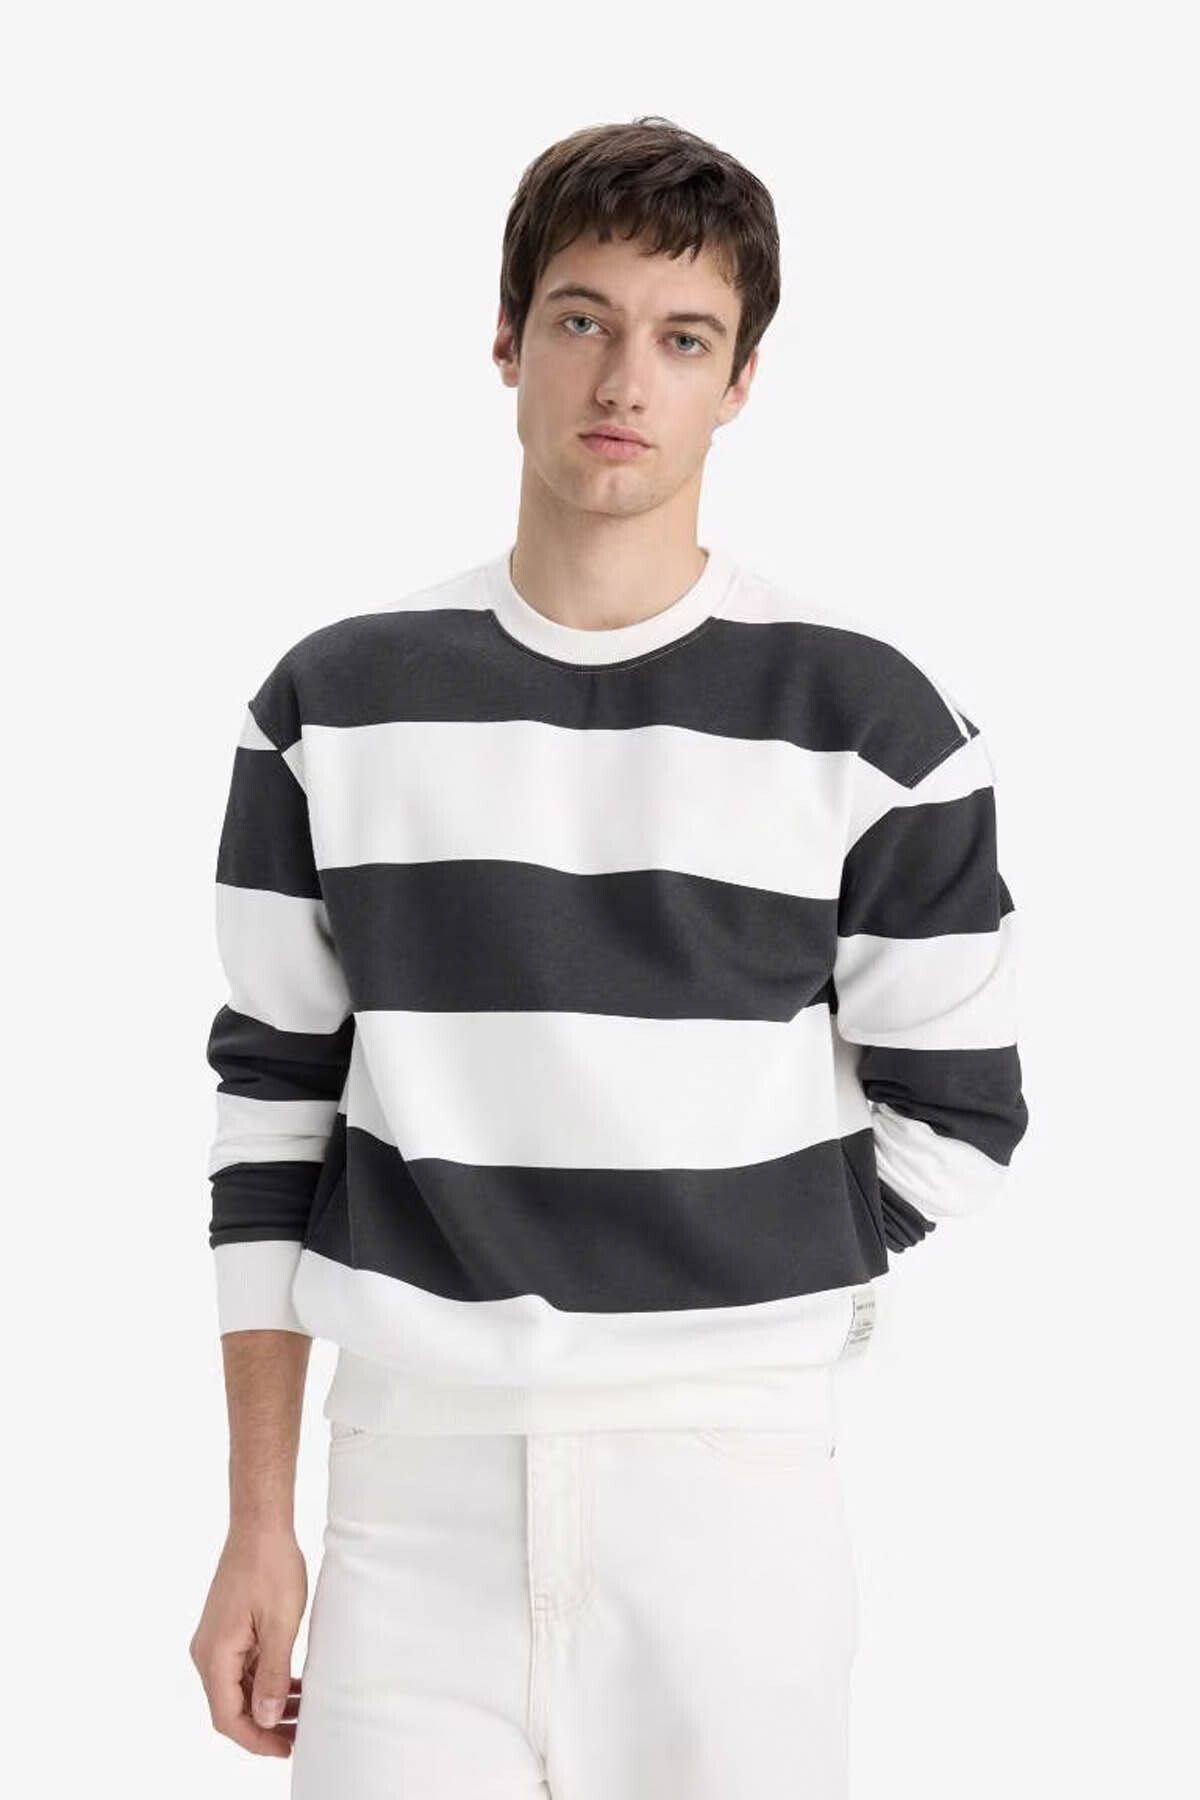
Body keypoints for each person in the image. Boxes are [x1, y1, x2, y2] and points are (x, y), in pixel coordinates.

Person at [189, 115, 1029, 1799]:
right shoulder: (333, 705)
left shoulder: (867, 721)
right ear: (507, 341)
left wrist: (726, 1264)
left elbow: (961, 1112)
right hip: (407, 1496)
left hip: (730, 1497)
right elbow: (272, 1112)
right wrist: (256, 1521)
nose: (626, 378)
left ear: (741, 381)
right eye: (583, 319)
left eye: (684, 336)